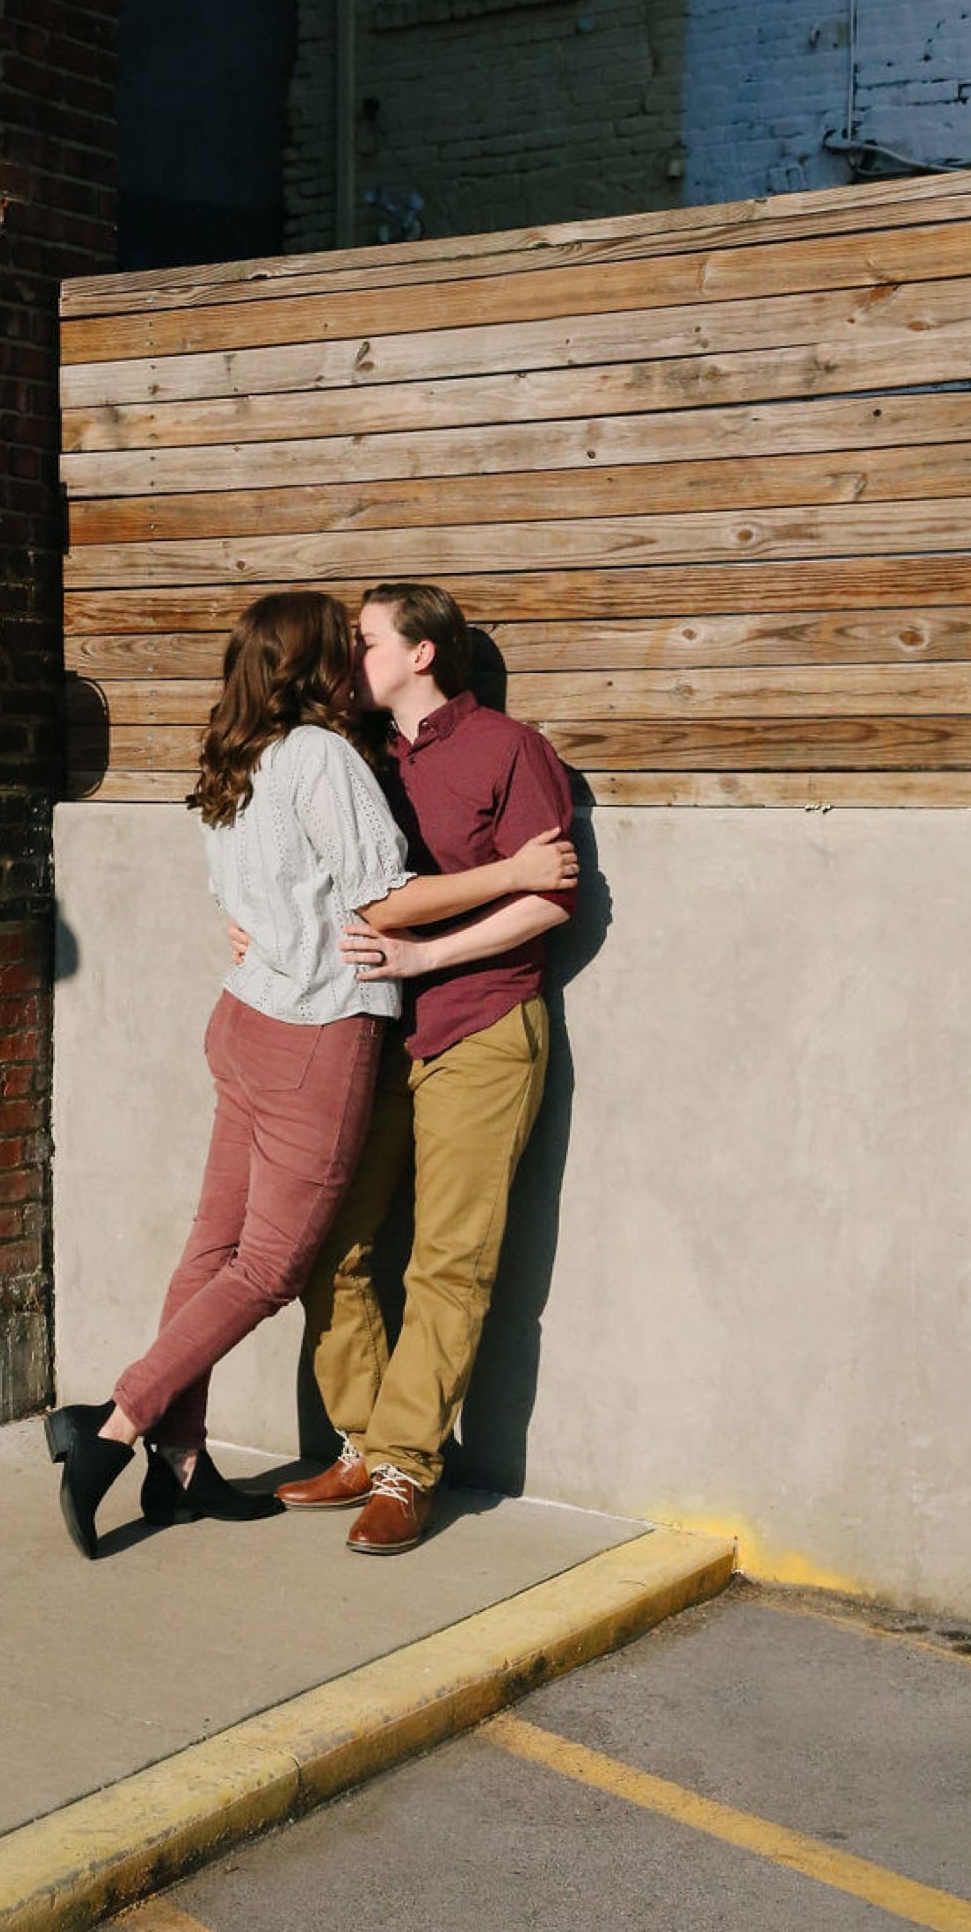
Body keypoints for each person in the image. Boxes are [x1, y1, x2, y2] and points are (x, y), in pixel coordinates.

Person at [44, 589, 575, 1561]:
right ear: (314, 666)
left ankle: (195, 1464)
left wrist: (273, 927)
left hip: (275, 1018)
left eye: (367, 639)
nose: (353, 655)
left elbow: (256, 892)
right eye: (345, 643)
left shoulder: (242, 753)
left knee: (220, 1249)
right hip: (315, 1036)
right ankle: (119, 1423)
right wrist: (499, 879)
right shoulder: (332, 754)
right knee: (277, 1265)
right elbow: (380, 893)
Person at [275, 581, 577, 1556]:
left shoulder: (511, 749)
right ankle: (366, 1438)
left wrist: (422, 958)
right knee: (335, 1242)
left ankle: (409, 1468)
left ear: (421, 653)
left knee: (448, 1259)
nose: (348, 659)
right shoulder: (361, 763)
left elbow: (551, 897)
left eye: (363, 642)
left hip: (483, 1029)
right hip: (376, 1034)